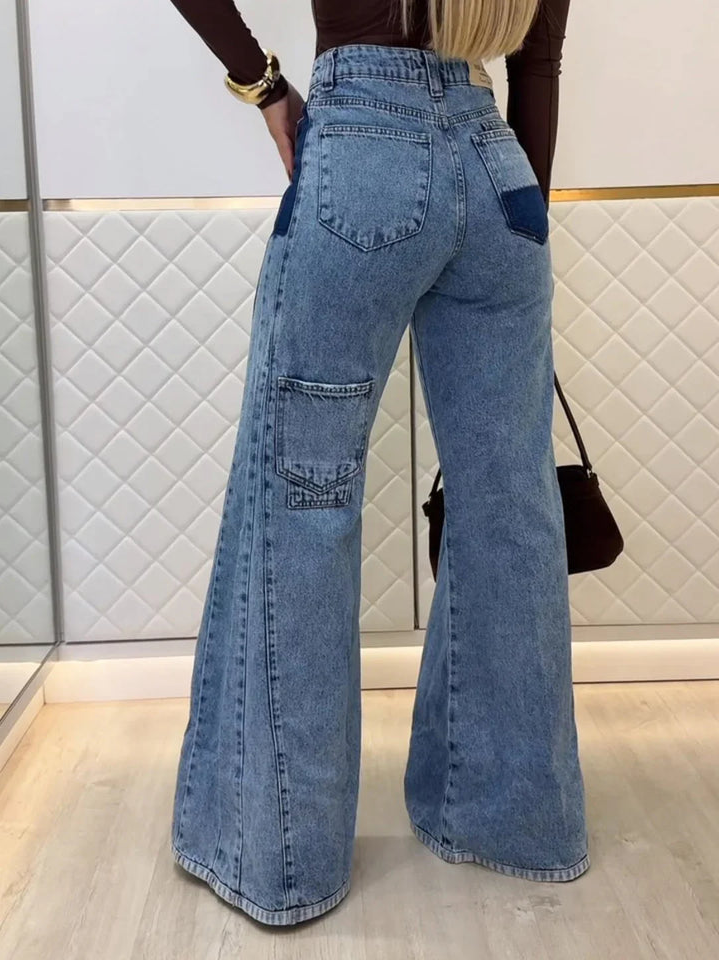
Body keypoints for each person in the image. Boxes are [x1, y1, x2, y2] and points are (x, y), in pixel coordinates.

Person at [167, 0, 588, 927]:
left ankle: (285, 859)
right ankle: (518, 824)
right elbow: (540, 67)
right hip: (499, 170)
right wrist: (523, 232)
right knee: (509, 504)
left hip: (360, 159)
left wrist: (264, 84)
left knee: (304, 502)